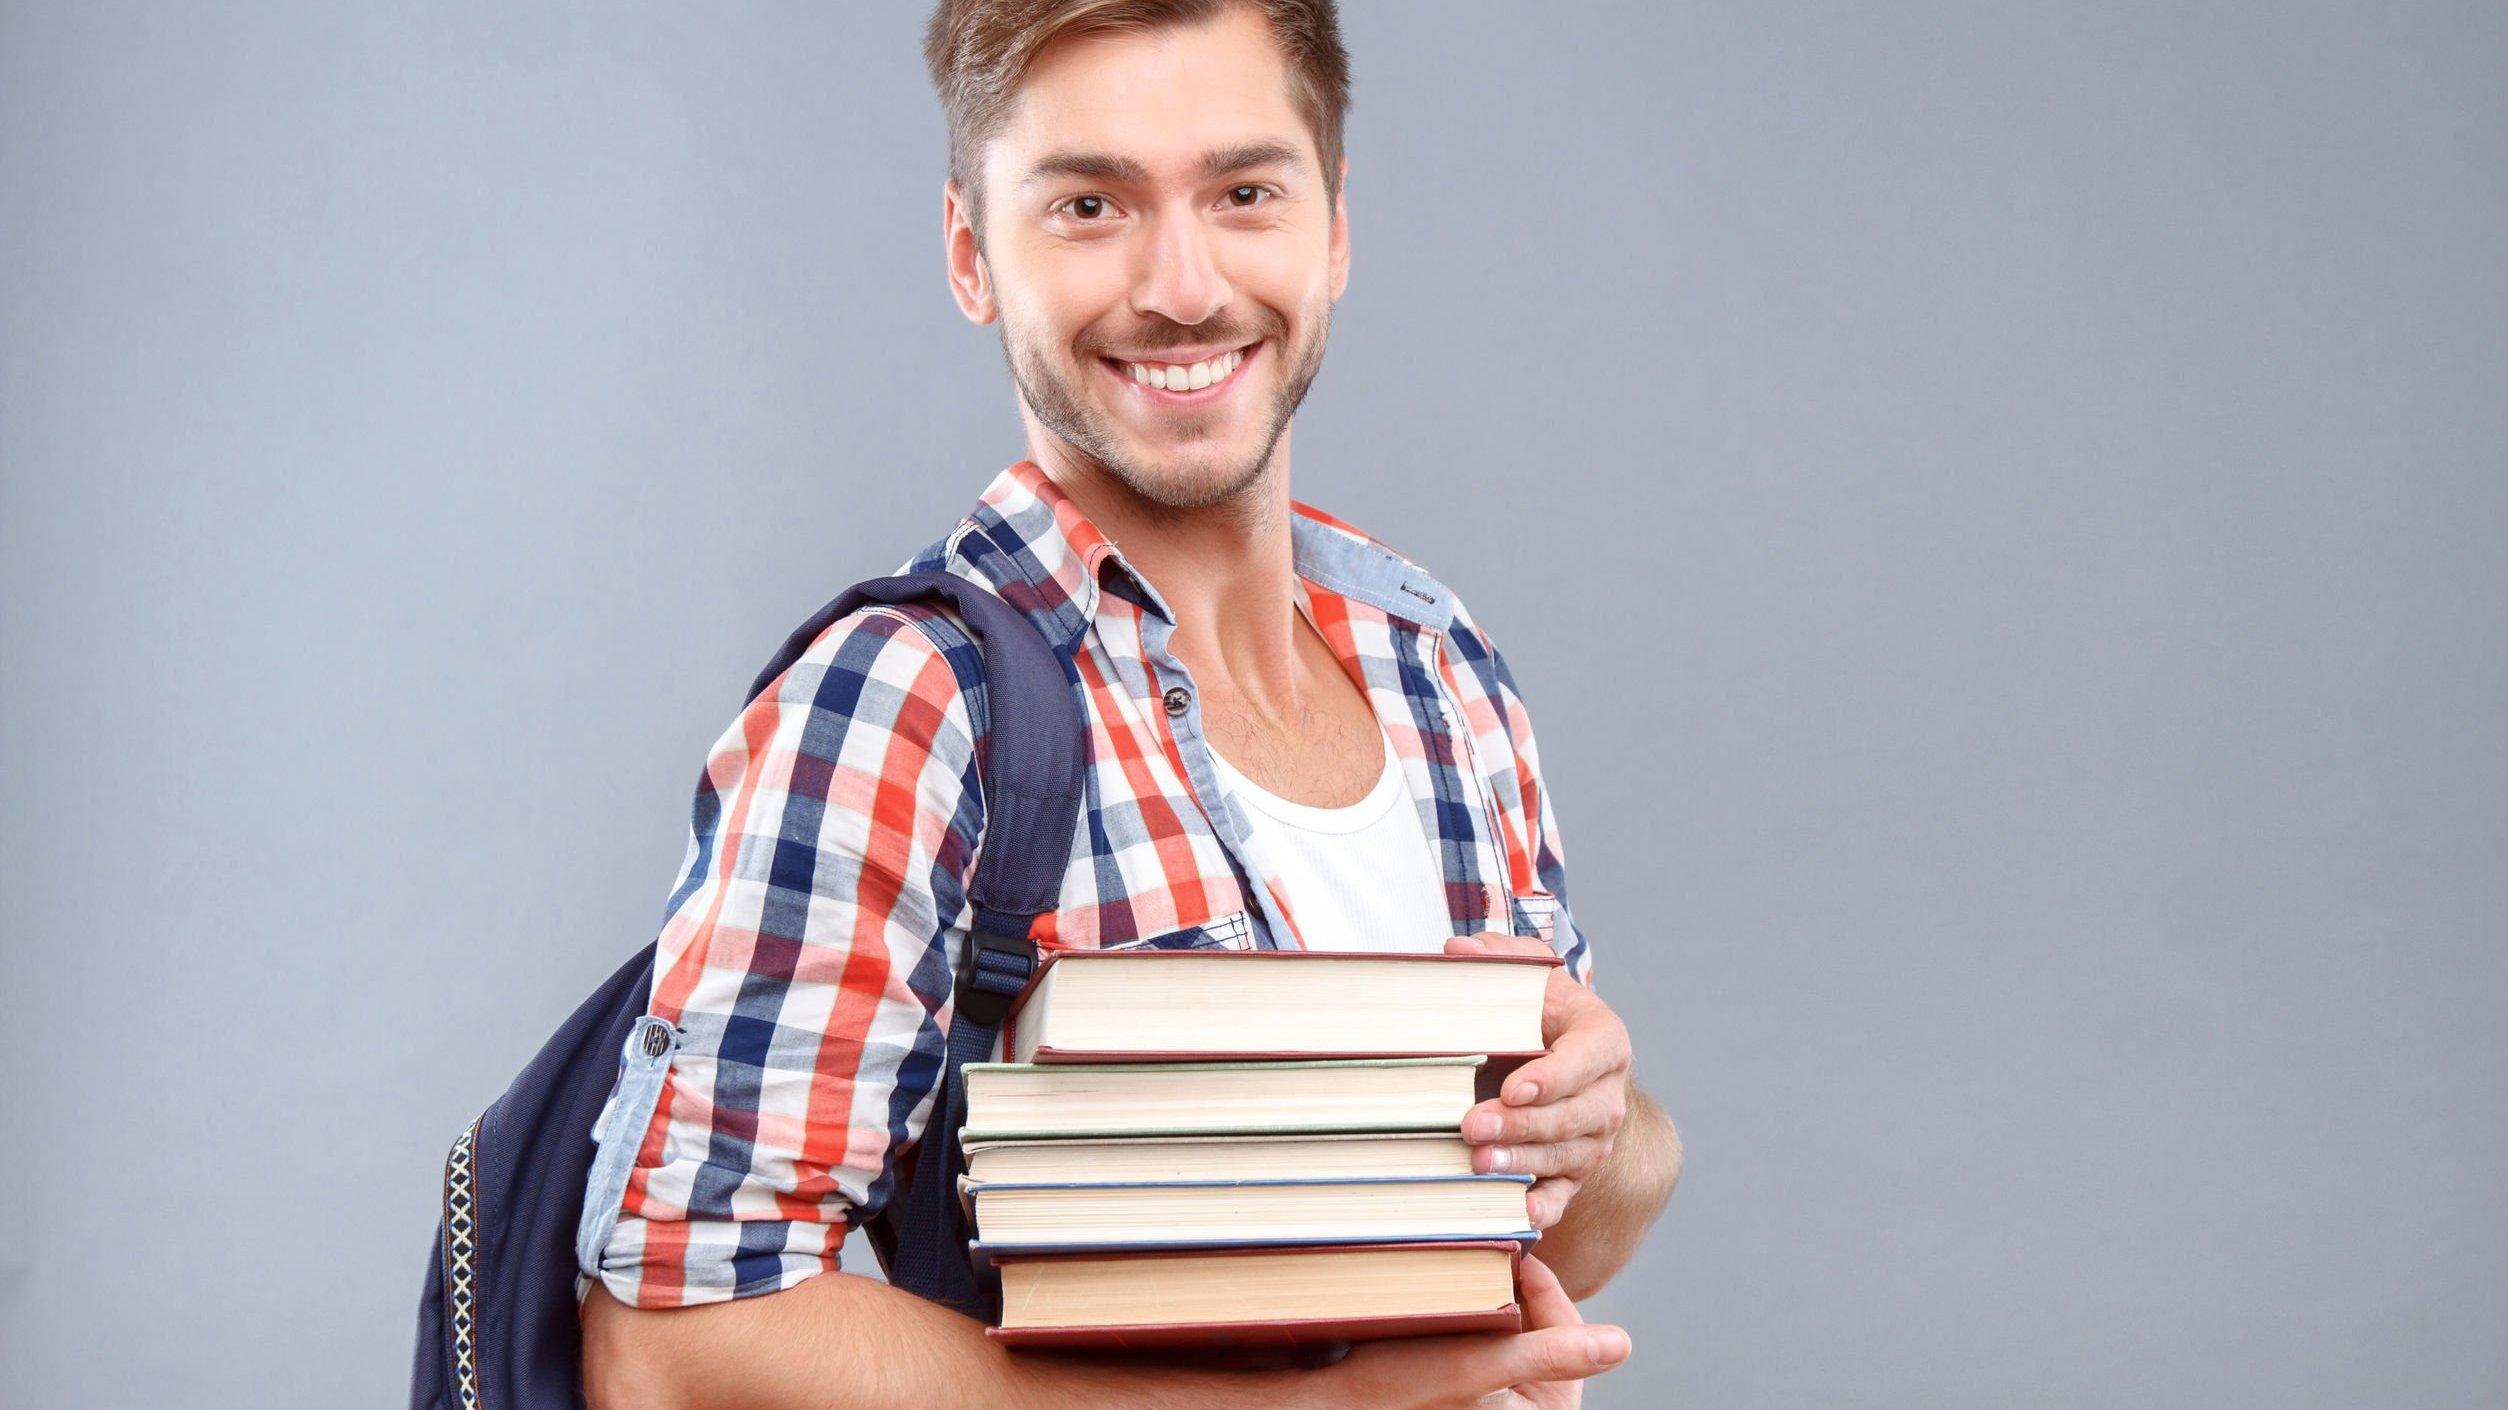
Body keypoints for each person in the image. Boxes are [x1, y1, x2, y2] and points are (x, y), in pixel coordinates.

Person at [578, 2, 1681, 1405]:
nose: (1183, 284)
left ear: (1334, 226)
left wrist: (1603, 1120)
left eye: (1244, 193)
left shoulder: (1435, 663)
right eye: (1090, 203)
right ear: (974, 254)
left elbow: (1558, 1225)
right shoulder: (911, 705)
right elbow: (670, 1342)